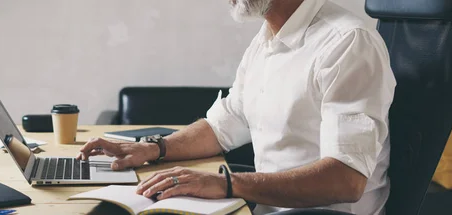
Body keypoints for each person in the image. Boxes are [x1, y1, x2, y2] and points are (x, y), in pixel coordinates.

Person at [77, 0, 396, 214]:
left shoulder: (347, 42)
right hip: (269, 208)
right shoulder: (267, 38)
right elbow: (226, 122)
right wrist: (152, 149)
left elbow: (346, 179)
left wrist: (226, 184)